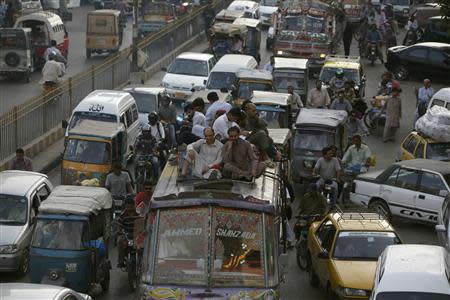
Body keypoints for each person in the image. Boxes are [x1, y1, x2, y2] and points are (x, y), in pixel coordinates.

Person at [116, 195, 139, 267]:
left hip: (137, 235)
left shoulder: (138, 214)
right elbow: (119, 226)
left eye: (130, 207)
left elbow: (142, 223)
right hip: (127, 235)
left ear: (133, 206)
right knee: (119, 242)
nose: (128, 209)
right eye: (127, 207)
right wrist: (119, 232)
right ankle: (121, 261)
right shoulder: (122, 215)